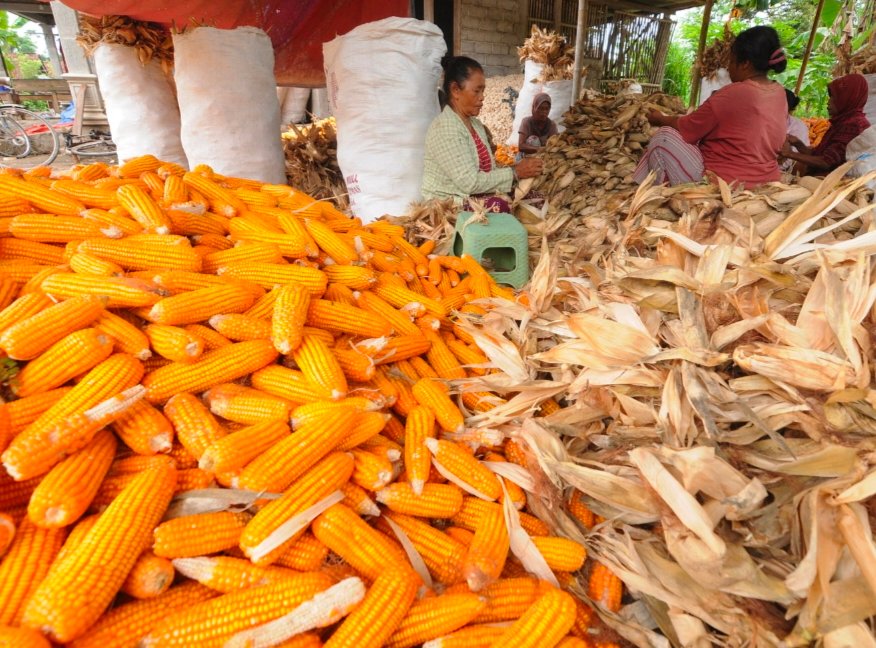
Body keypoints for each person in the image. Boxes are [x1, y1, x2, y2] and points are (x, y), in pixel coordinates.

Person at [633, 25, 788, 188]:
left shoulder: (735, 93)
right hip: (767, 178)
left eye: (731, 61)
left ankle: (649, 192)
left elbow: (688, 127)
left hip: (726, 182)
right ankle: (639, 186)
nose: (729, 67)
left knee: (663, 137)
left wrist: (661, 118)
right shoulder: (779, 92)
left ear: (745, 64)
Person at [422, 56, 542, 208]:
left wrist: (515, 174)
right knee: (503, 207)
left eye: (483, 91)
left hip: (476, 197)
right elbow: (469, 183)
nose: (482, 98)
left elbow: (488, 170)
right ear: (455, 90)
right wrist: (515, 172)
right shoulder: (445, 128)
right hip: (450, 203)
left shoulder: (476, 125)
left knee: (535, 198)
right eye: (477, 91)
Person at [780, 73, 870, 174]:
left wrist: (789, 154)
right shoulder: (842, 121)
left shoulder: (853, 125)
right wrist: (798, 144)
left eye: (833, 97)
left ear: (845, 99)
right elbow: (820, 154)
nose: (828, 102)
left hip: (831, 182)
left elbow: (826, 162)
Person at [781, 89, 810, 172]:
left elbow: (793, 158)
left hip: (784, 170)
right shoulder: (759, 121)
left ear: (789, 110)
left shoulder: (798, 126)